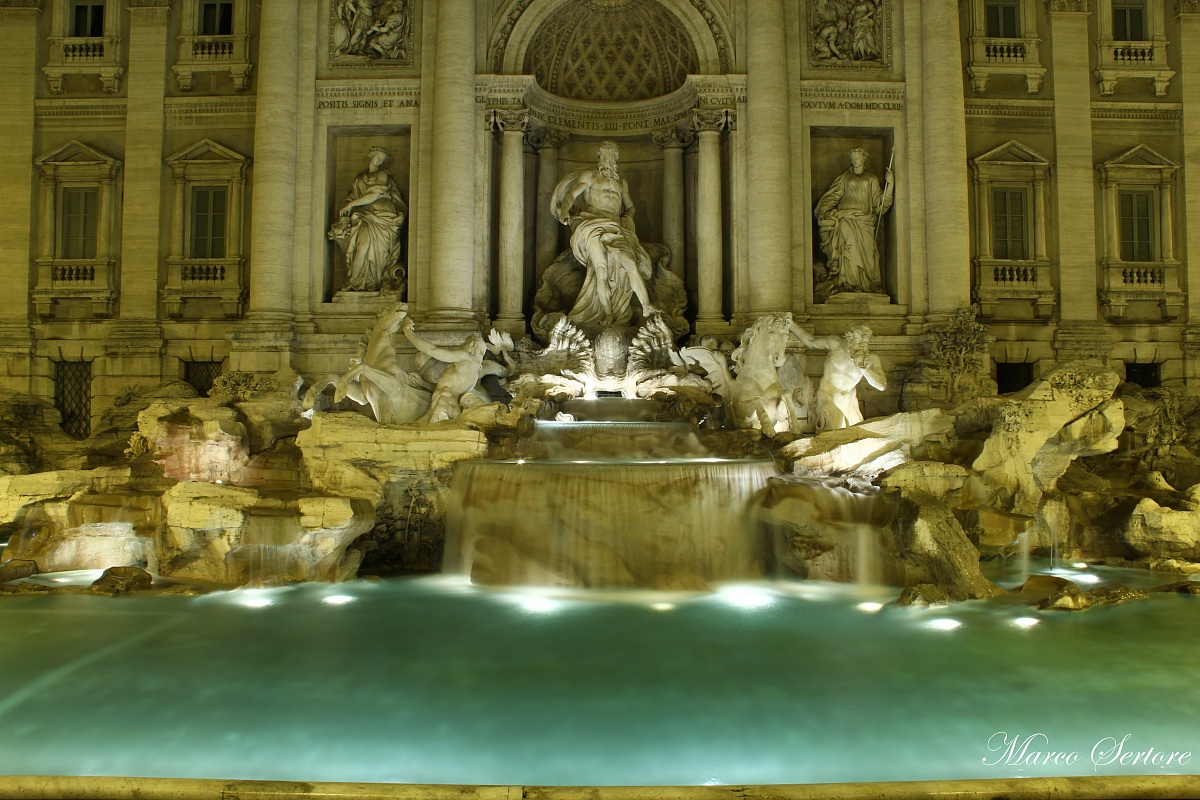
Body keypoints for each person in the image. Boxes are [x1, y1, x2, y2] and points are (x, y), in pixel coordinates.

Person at [550, 141, 658, 330]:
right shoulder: (589, 176)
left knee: (630, 261)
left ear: (616, 159)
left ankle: (646, 306)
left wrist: (627, 218)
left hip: (615, 228)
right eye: (605, 155)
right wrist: (565, 210)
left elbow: (630, 206)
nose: (609, 158)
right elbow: (571, 196)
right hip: (591, 224)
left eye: (613, 155)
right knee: (601, 271)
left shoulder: (621, 182)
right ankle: (607, 312)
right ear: (599, 157)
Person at [814, 147, 894, 296]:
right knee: (848, 249)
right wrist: (823, 211)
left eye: (857, 158)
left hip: (865, 222)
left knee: (868, 254)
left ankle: (867, 284)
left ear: (864, 158)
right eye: (853, 159)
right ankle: (847, 282)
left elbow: (879, 205)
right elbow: (833, 196)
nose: (855, 161)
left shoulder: (872, 179)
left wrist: (890, 186)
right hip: (845, 219)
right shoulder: (845, 178)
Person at [328, 146, 407, 292]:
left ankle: (373, 282)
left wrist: (351, 205)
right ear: (371, 156)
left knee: (378, 252)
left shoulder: (383, 174)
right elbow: (353, 196)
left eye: (382, 159)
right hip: (365, 216)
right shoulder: (359, 178)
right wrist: (347, 206)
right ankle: (355, 281)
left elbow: (374, 195)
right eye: (377, 157)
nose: (379, 161)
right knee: (362, 247)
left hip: (383, 216)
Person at [403, 319, 510, 424]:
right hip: (446, 405)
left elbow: (431, 350)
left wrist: (409, 333)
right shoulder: (475, 368)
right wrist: (423, 384)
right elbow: (446, 386)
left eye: (465, 342)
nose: (462, 345)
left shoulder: (465, 357)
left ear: (471, 345)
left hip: (443, 405)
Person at [789, 321, 887, 430]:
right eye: (858, 342)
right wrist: (791, 325)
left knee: (859, 432)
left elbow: (881, 386)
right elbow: (810, 341)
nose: (862, 346)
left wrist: (865, 370)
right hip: (828, 395)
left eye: (865, 343)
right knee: (834, 430)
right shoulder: (836, 344)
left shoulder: (870, 359)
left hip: (849, 399)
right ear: (849, 339)